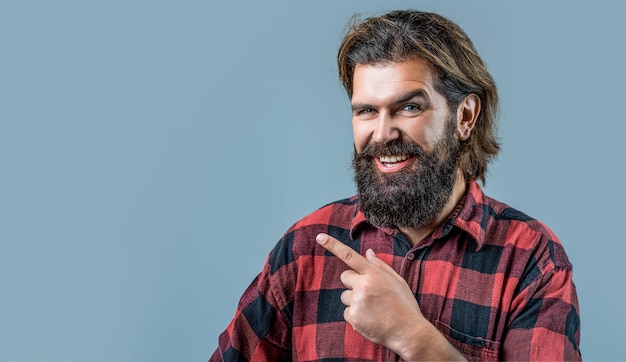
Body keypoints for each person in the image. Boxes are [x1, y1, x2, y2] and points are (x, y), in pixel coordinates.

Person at [210, 9, 581, 361]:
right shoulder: (305, 248)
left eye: (409, 108)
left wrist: (414, 338)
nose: (383, 134)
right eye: (366, 111)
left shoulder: (531, 259)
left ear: (465, 116)